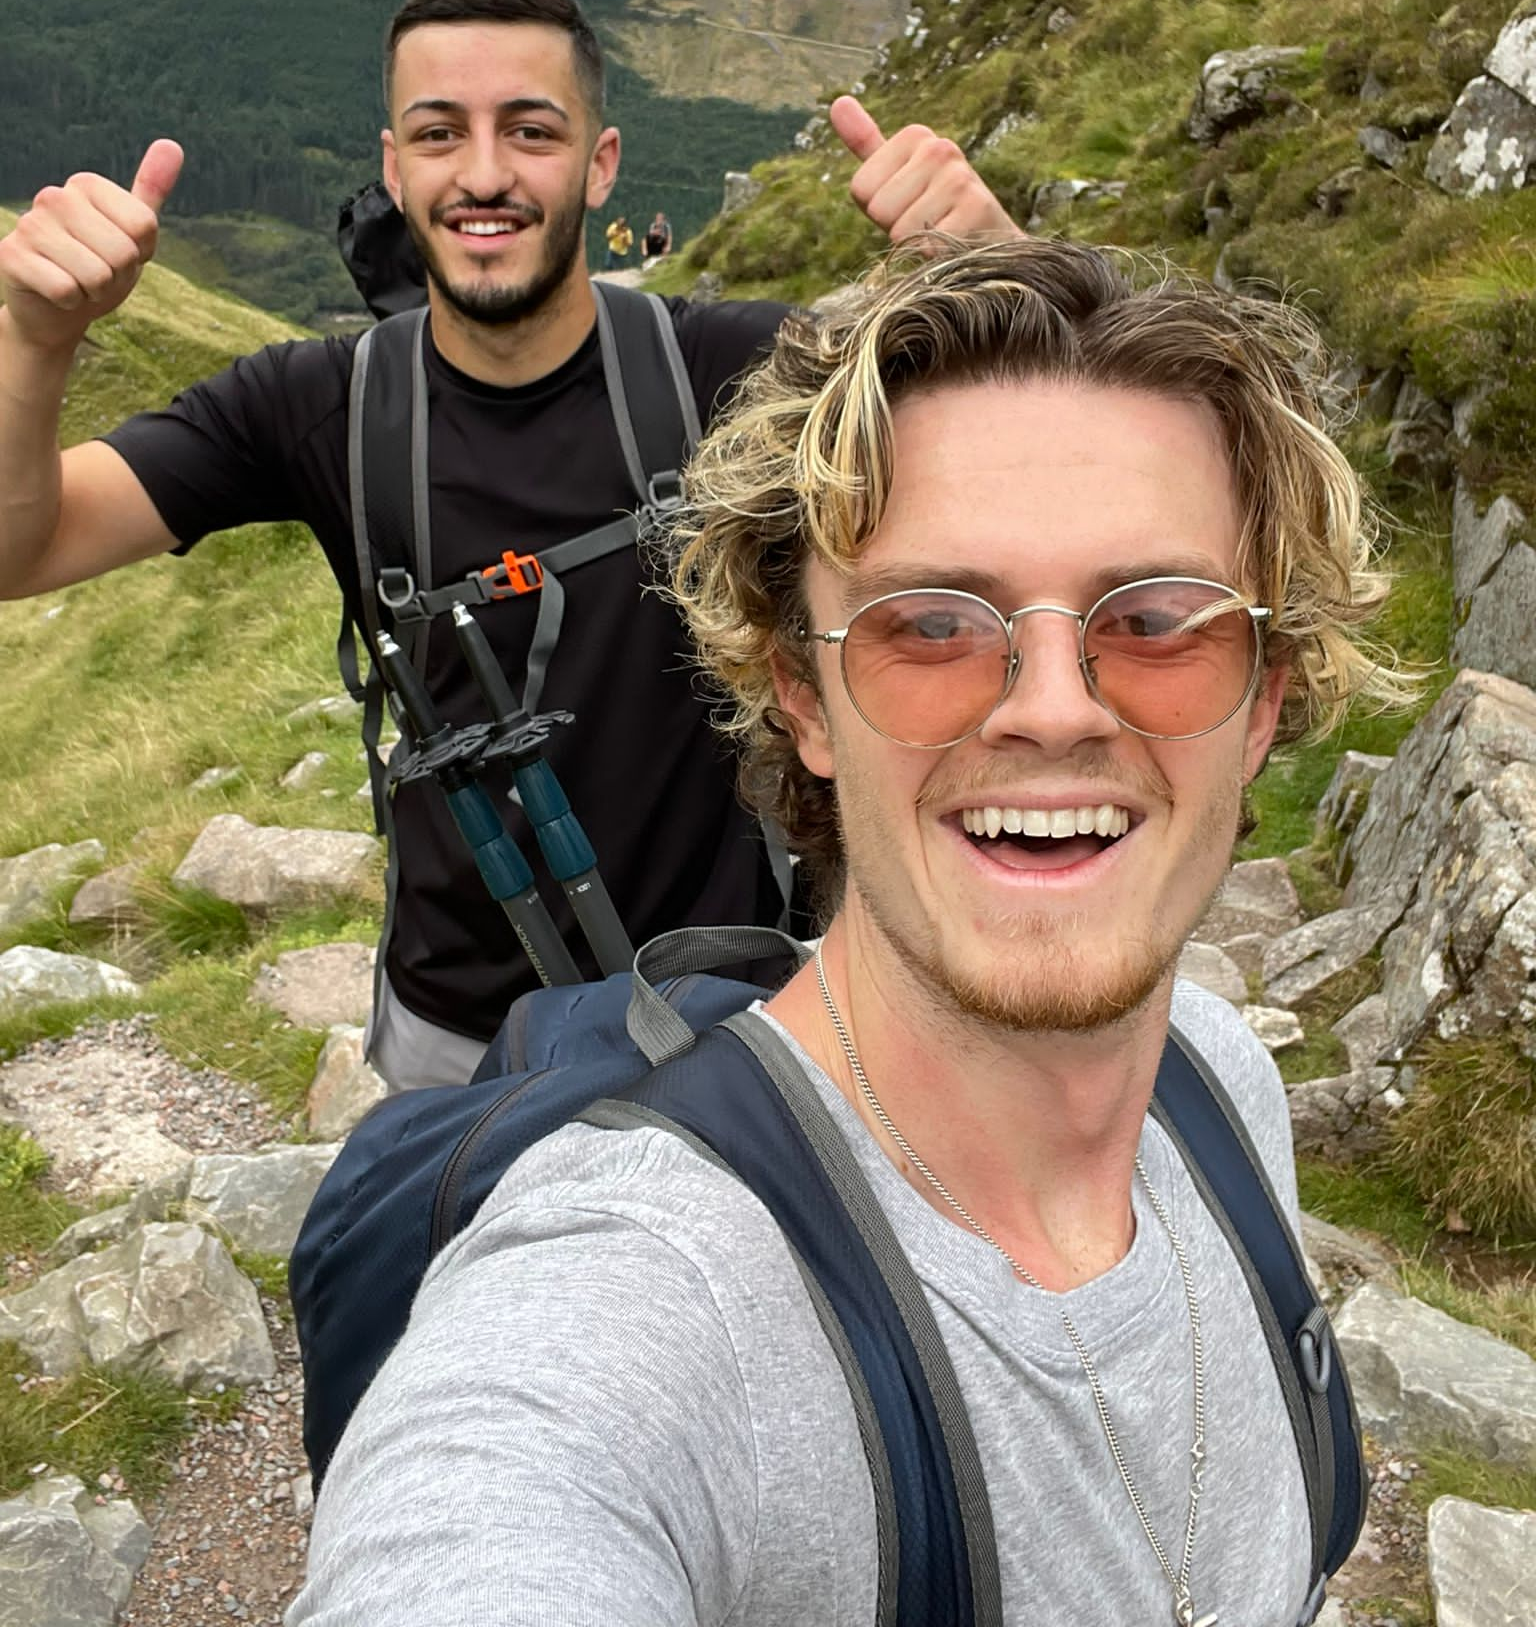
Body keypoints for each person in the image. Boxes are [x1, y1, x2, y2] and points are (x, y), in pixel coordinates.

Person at [291, 238, 1404, 1623]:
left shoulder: (1221, 1089)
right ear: (801, 701)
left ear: (1263, 701)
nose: (1054, 707)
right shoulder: (644, 1301)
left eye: (1160, 621)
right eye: (929, 626)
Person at [0, 0, 1019, 1091]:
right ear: (394, 167)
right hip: (458, 1046)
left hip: (744, 1004)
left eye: (530, 131)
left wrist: (1005, 274)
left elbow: (1044, 482)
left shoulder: (736, 370)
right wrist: (34, 339)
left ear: (601, 159)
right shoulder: (311, 406)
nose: (484, 174)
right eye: (440, 133)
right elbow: (25, 547)